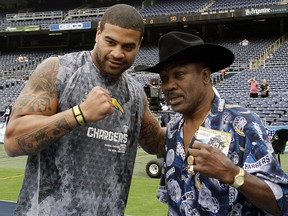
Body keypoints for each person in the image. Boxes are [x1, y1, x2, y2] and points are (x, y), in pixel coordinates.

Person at [4, 4, 165, 215]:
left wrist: (198, 123)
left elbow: (156, 143)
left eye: (128, 47)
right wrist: (79, 114)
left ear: (139, 44)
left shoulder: (135, 93)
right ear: (98, 33)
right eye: (110, 42)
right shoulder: (59, 69)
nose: (117, 53)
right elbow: (13, 141)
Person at [135, 32, 288, 215]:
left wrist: (233, 174)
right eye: (165, 78)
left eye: (179, 75)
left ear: (206, 76)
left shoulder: (242, 124)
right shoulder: (174, 130)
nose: (169, 86)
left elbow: (282, 203)